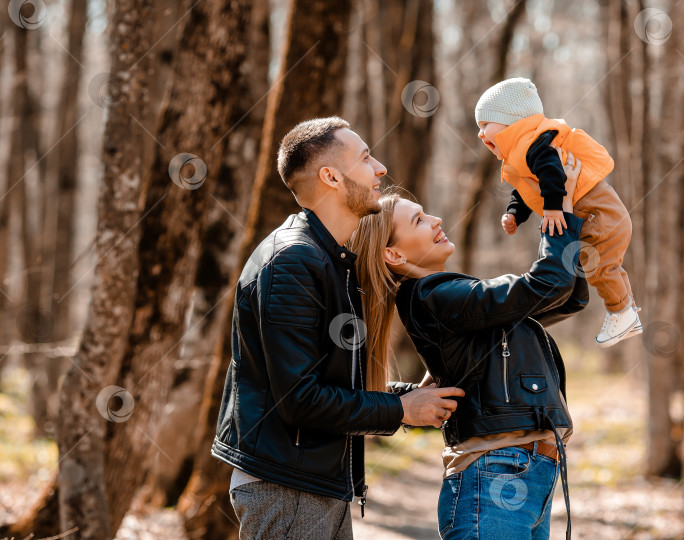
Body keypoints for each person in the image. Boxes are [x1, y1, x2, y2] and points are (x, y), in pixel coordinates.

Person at [211, 116, 465, 539]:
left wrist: (410, 397)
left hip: (311, 482)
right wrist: (402, 410)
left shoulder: (331, 261)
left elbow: (332, 382)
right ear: (330, 176)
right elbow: (299, 401)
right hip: (287, 487)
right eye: (366, 157)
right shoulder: (292, 262)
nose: (380, 168)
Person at [349, 153, 587, 540]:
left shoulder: (448, 300)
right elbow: (547, 285)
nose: (436, 220)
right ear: (393, 254)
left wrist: (570, 217)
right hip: (495, 475)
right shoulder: (434, 296)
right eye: (419, 220)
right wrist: (559, 208)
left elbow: (568, 298)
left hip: (523, 473)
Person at [475, 77, 642, 348]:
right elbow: (528, 189)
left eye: (485, 125)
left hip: (599, 214)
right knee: (603, 266)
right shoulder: (524, 152)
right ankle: (625, 311)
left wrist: (553, 208)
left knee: (600, 267)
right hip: (598, 214)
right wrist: (515, 213)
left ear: (511, 121)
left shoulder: (535, 145)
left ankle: (622, 313)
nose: (481, 134)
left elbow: (552, 173)